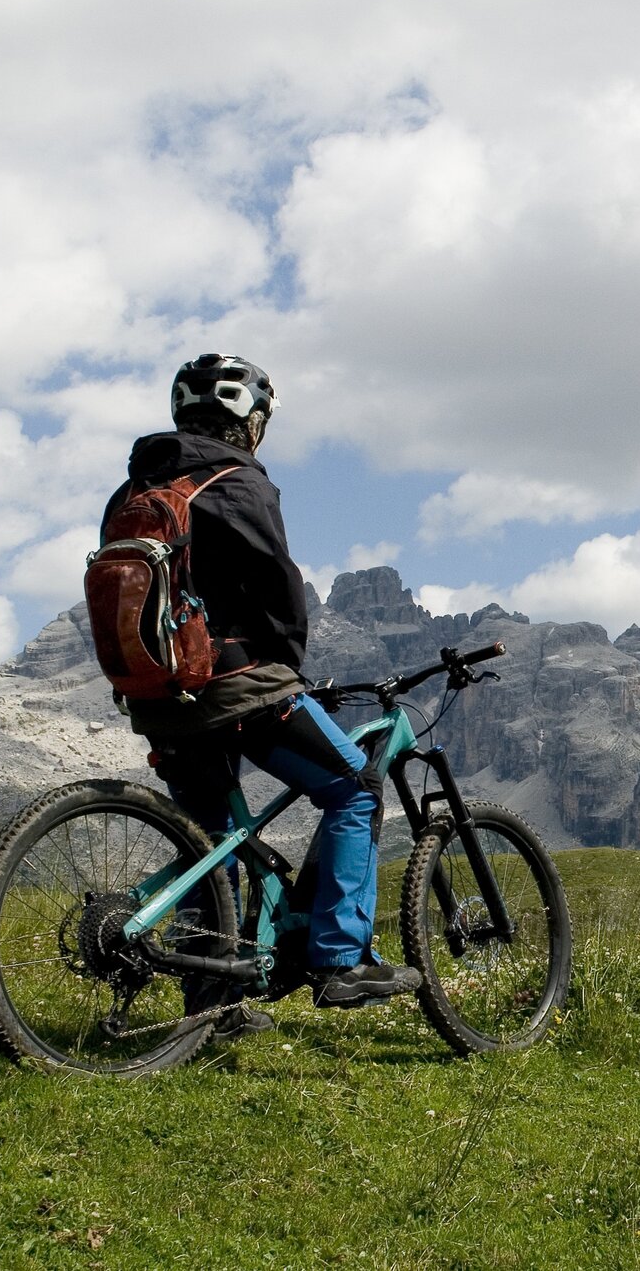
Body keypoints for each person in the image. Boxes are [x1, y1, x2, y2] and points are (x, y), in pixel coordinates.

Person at [101, 352, 420, 1040]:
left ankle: (213, 1008)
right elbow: (278, 590)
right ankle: (340, 960)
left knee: (211, 843)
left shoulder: (132, 493)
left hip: (158, 699)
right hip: (235, 688)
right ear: (249, 420)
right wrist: (288, 669)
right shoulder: (238, 481)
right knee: (355, 789)